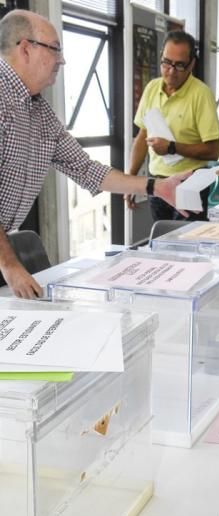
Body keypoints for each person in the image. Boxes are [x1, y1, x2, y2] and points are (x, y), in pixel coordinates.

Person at [0, 9, 187, 300]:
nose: (62, 60)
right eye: (55, 49)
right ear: (26, 48)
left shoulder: (38, 111)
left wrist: (155, 186)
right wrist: (10, 264)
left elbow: (87, 169)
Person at [126, 30, 219, 222]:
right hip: (158, 181)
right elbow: (142, 136)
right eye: (166, 62)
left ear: (191, 64)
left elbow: (213, 151)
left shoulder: (201, 95)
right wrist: (131, 181)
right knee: (161, 241)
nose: (170, 71)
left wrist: (171, 147)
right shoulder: (152, 88)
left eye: (179, 65)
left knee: (186, 244)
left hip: (191, 183)